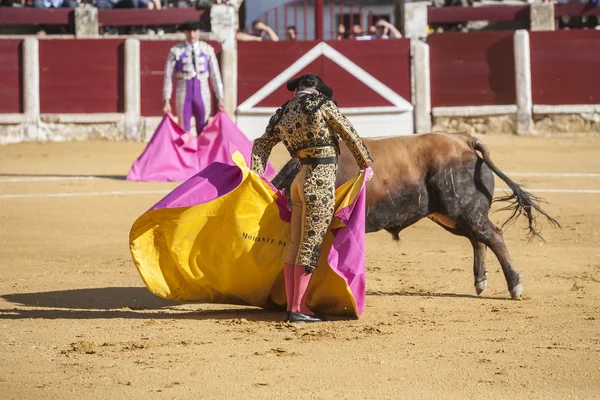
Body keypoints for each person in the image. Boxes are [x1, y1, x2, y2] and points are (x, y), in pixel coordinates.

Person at [250, 74, 373, 324]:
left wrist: (256, 174)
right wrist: (365, 164)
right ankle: (298, 308)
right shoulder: (322, 104)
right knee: (310, 244)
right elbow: (348, 133)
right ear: (316, 89)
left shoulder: (283, 112)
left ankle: (295, 304)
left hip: (298, 180)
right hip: (320, 179)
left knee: (295, 244)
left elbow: (261, 144)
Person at [163, 20, 225, 134]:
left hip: (203, 91)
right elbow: (168, 77)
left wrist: (220, 97)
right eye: (189, 31)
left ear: (199, 32)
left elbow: (215, 75)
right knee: (183, 128)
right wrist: (166, 100)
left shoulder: (207, 50)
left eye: (195, 31)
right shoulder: (175, 51)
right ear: (185, 32)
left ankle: (202, 152)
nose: (192, 35)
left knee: (203, 127)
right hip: (183, 91)